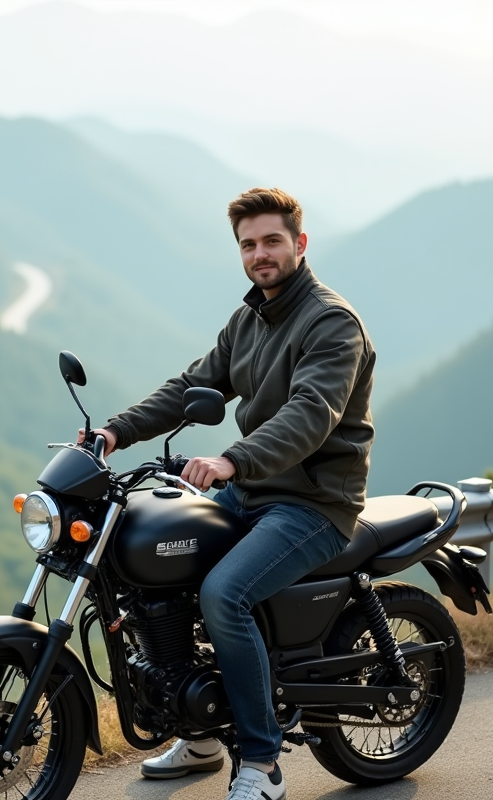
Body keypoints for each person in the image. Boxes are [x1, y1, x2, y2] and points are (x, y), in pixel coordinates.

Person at [79, 187, 375, 800]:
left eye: (272, 241)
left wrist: (231, 460)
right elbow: (191, 384)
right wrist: (113, 432)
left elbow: (310, 414)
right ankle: (203, 733)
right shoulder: (249, 319)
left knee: (224, 593)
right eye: (248, 244)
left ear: (299, 243)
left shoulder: (331, 323)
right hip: (252, 491)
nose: (260, 254)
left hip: (314, 502)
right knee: (159, 567)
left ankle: (262, 762)